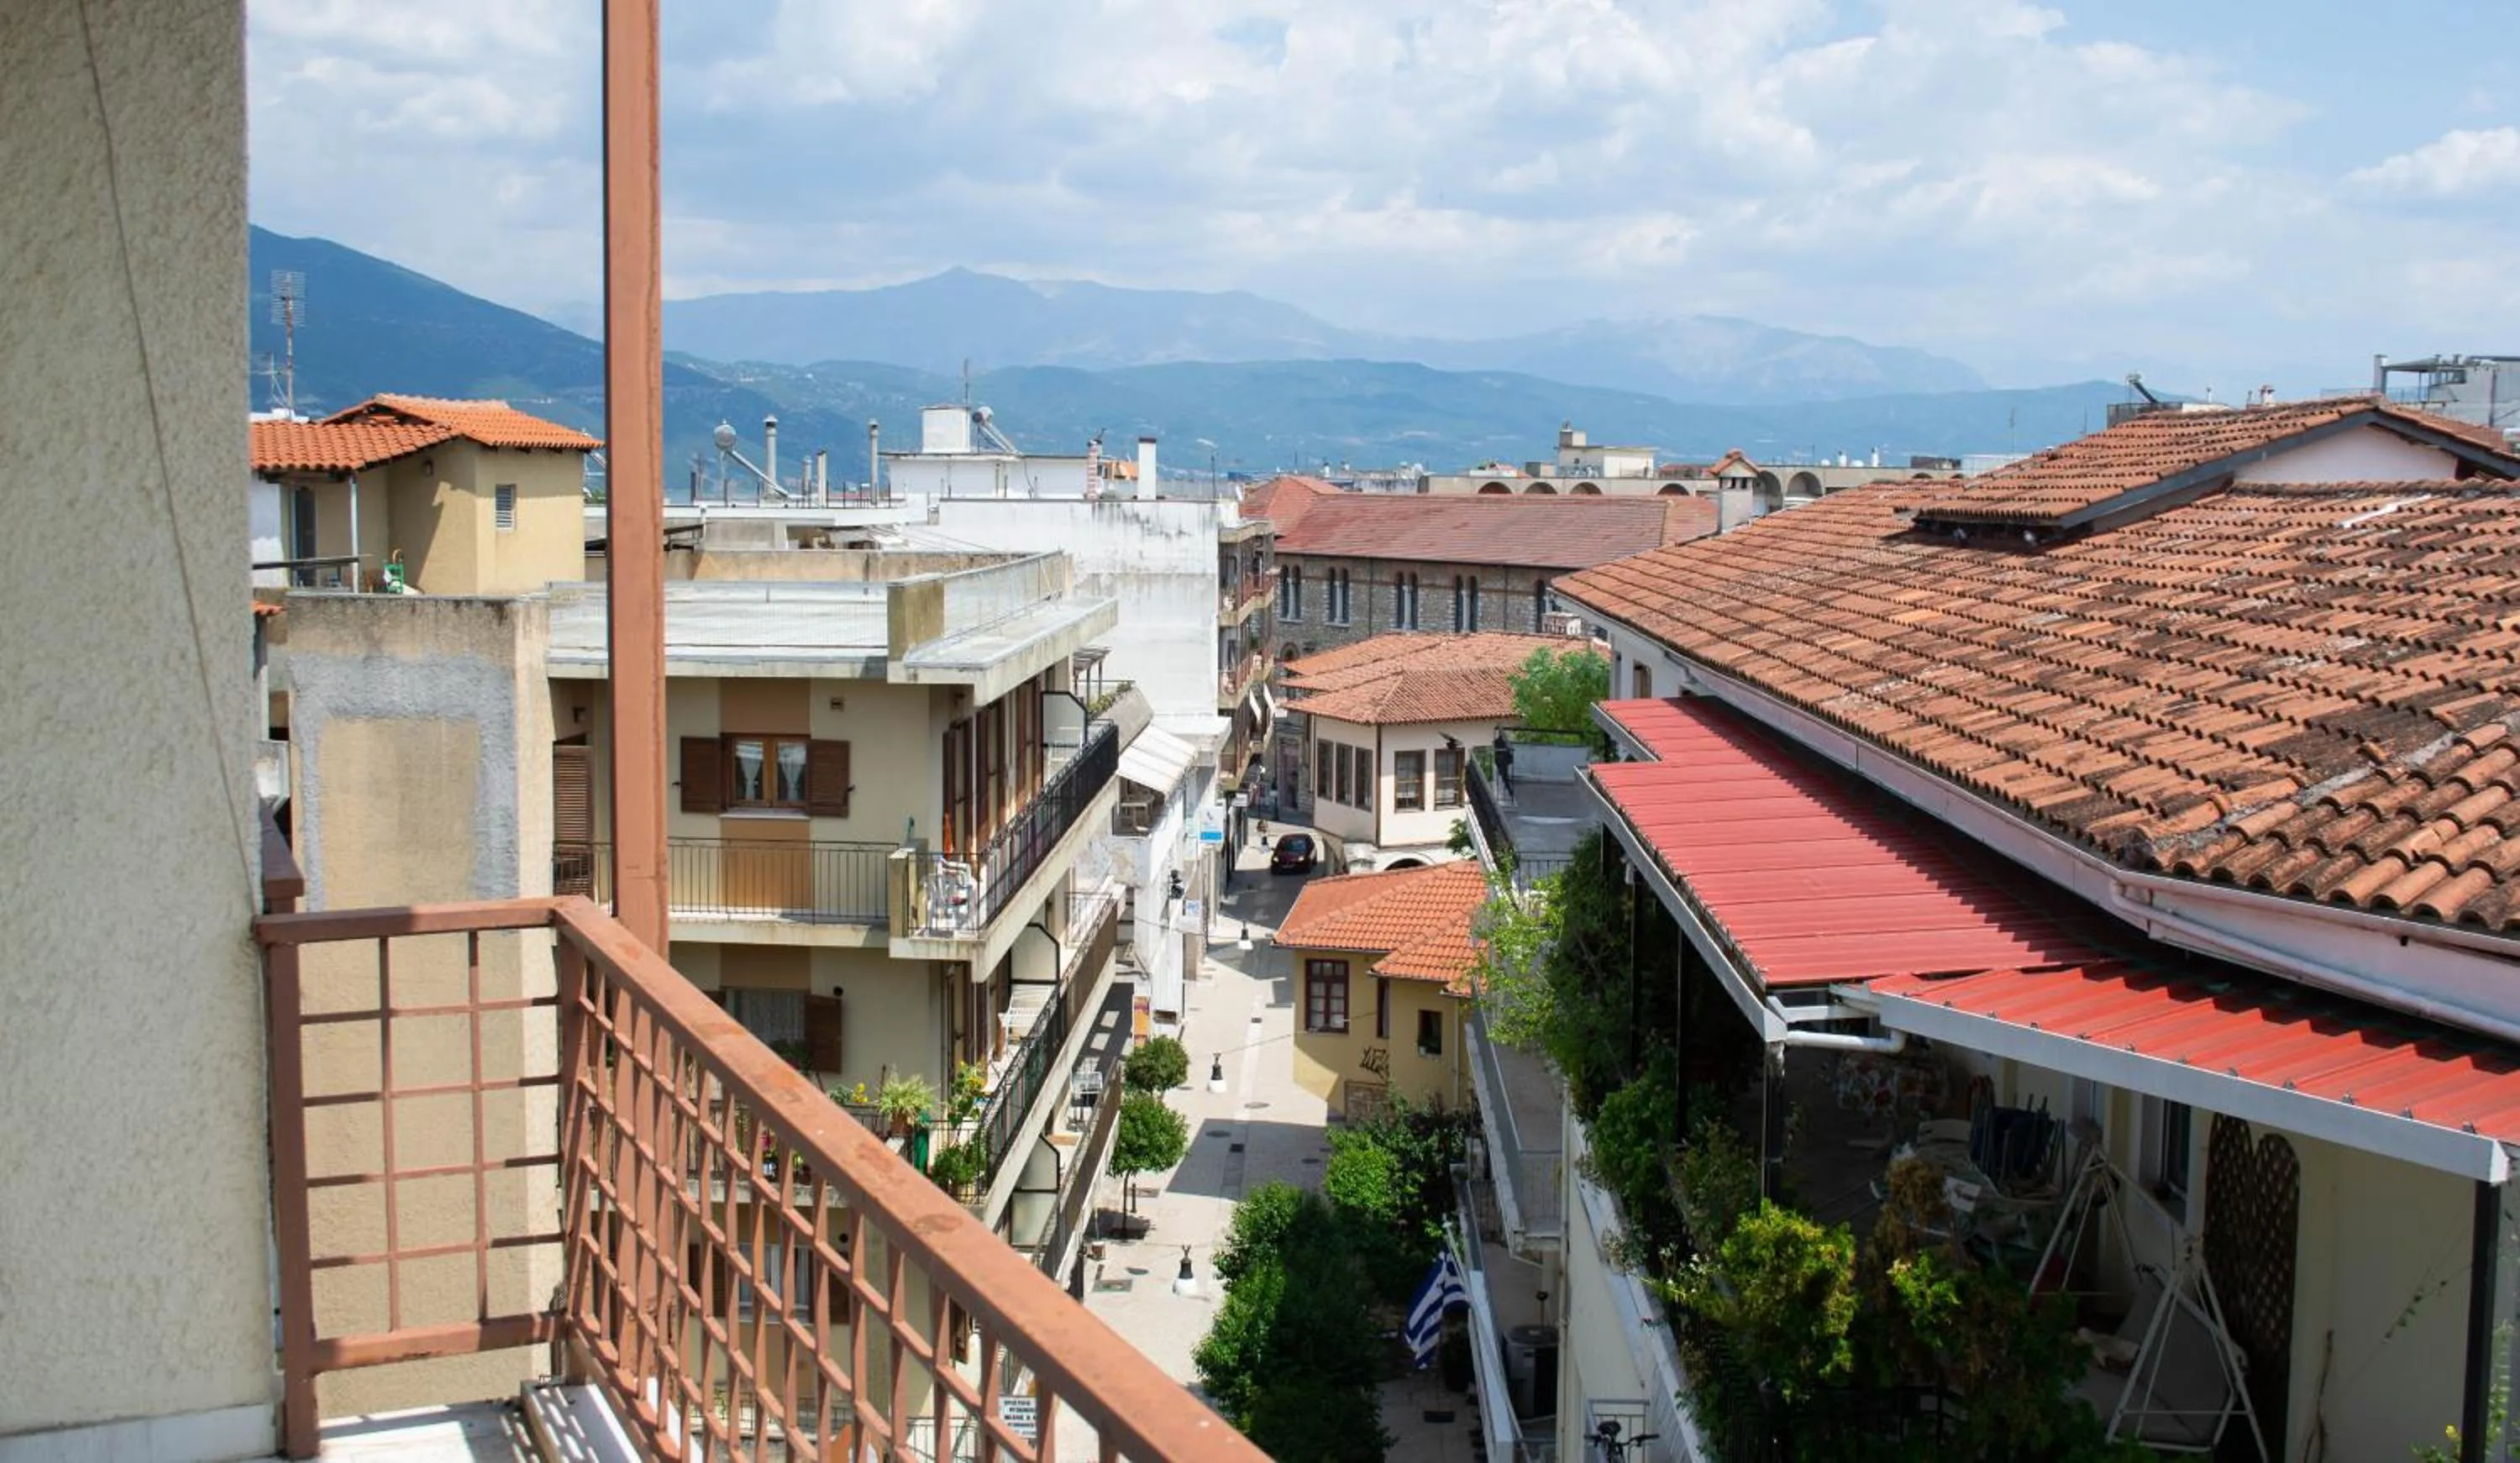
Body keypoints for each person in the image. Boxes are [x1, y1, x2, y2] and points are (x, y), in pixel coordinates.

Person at [1492, 729, 1516, 794]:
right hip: (1503, 761)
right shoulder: (1503, 742)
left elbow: (1497, 752)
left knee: (1503, 777)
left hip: (1502, 762)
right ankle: (1509, 790)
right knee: (1504, 777)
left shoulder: (1498, 742)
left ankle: (1508, 790)